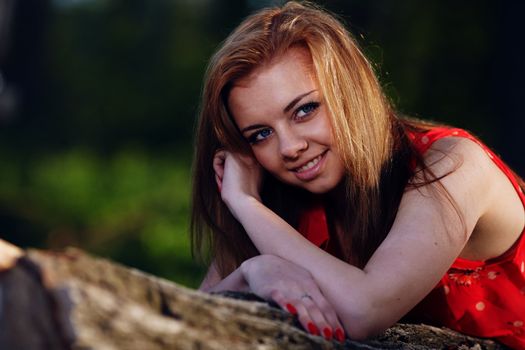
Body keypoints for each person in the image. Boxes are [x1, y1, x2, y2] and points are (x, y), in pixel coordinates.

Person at [190, 1, 525, 348]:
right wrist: (251, 273)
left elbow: (365, 310)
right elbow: (183, 329)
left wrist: (244, 203)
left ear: (351, 90)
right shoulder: (281, 204)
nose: (289, 147)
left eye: (305, 110)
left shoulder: (455, 166)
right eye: (260, 134)